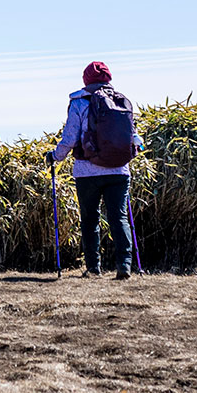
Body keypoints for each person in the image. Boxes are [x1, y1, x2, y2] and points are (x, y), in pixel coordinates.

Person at [48, 60, 143, 279]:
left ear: (85, 80)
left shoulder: (79, 102)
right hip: (119, 171)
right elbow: (133, 137)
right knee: (119, 218)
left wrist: (55, 157)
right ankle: (124, 265)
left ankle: (93, 268)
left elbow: (70, 138)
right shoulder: (121, 101)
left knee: (90, 218)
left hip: (86, 172)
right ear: (109, 79)